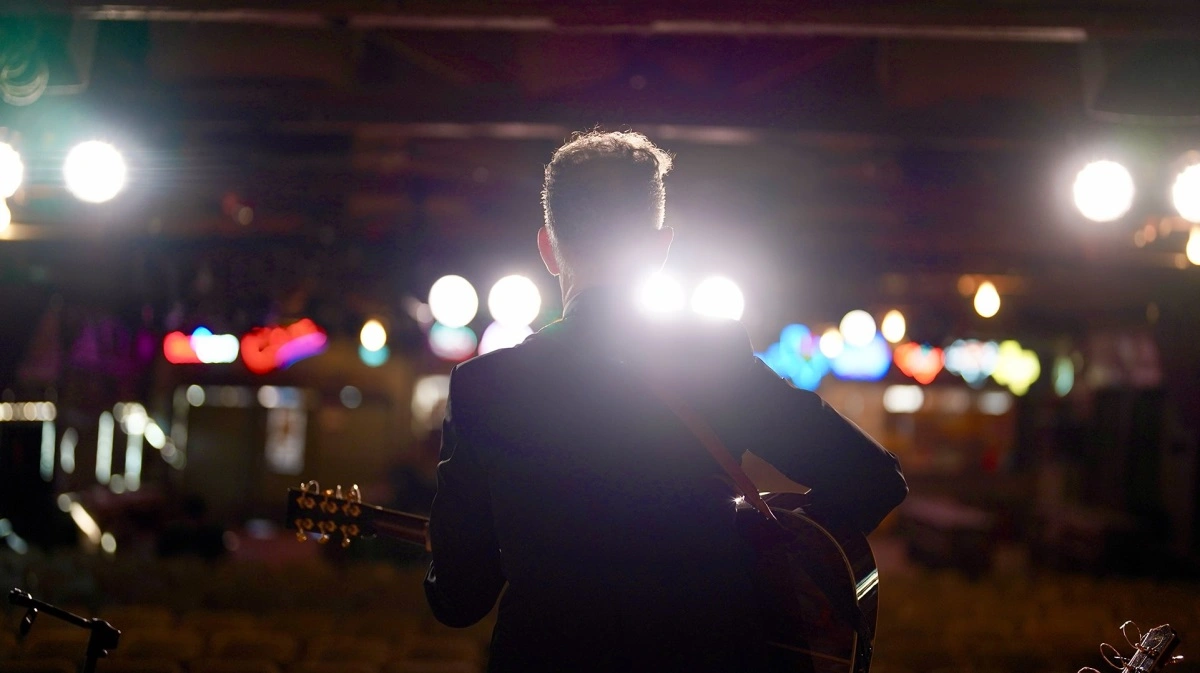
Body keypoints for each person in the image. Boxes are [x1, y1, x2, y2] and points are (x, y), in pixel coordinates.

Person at [424, 130, 908, 672]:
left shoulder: (487, 386)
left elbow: (458, 602)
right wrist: (759, 545)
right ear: (660, 248)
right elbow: (874, 479)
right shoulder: (714, 356)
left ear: (547, 249)